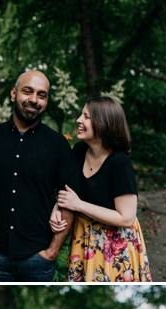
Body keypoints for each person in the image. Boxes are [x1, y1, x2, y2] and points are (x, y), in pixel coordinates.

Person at [0, 69, 80, 282]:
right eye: (28, 92)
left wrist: (52, 251)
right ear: (13, 94)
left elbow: (69, 198)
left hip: (38, 258)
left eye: (41, 95)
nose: (34, 100)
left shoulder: (58, 145)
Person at [51, 96, 152, 283]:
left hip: (114, 245)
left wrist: (79, 205)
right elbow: (67, 190)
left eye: (86, 116)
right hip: (84, 239)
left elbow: (126, 217)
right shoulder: (79, 151)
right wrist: (57, 210)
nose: (78, 120)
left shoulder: (119, 163)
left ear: (103, 123)